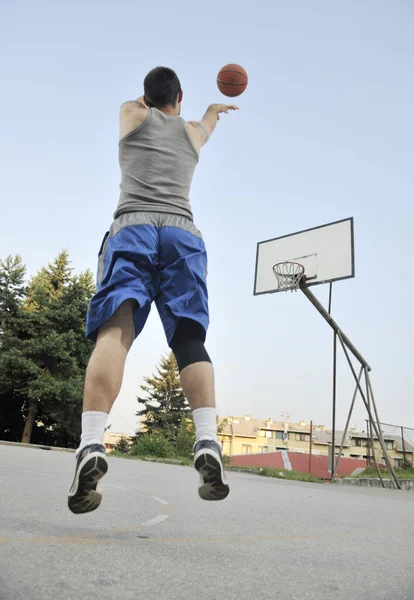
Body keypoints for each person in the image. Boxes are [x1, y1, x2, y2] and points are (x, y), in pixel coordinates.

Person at [68, 66, 238, 514]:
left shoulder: (132, 114)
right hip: (183, 234)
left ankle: (91, 445)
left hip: (134, 226)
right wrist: (212, 110)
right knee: (188, 338)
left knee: (115, 332)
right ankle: (207, 441)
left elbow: (144, 104)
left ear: (146, 96)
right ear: (179, 97)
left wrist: (154, 99)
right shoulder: (192, 134)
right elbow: (206, 126)